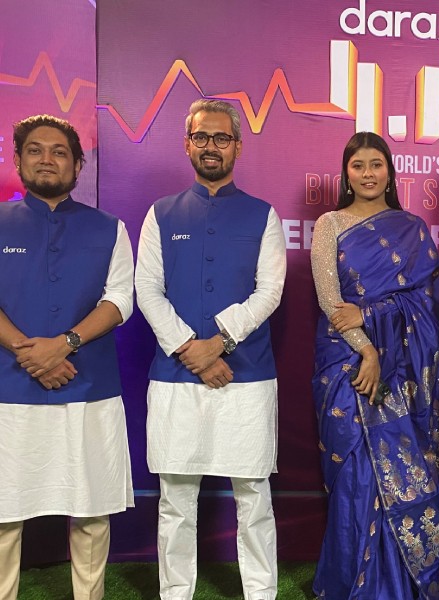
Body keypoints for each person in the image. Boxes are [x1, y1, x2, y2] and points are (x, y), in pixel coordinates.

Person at [135, 99, 286, 600]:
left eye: (222, 138)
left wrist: (218, 343)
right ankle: (176, 592)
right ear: (187, 144)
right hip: (176, 376)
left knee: (253, 494)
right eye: (202, 137)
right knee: (176, 499)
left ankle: (260, 592)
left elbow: (269, 292)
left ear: (238, 146)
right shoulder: (161, 214)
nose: (211, 146)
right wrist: (188, 348)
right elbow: (147, 288)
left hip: (248, 375)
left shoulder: (263, 215)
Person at [310, 131, 439, 599]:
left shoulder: (412, 228)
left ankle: (404, 585)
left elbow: (429, 305)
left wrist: (371, 316)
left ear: (391, 172)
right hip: (345, 362)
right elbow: (330, 300)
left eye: (376, 164)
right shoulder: (330, 224)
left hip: (404, 374)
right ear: (346, 173)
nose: (368, 173)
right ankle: (354, 585)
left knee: (405, 469)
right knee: (356, 472)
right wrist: (368, 350)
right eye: (358, 165)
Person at [0, 115, 134, 600]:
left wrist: (64, 344)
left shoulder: (110, 228)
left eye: (59, 152)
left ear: (78, 165)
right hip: (9, 389)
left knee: (92, 511)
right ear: (18, 161)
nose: (47, 159)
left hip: (89, 387)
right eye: (35, 150)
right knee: (4, 513)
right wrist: (29, 352)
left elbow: (120, 299)